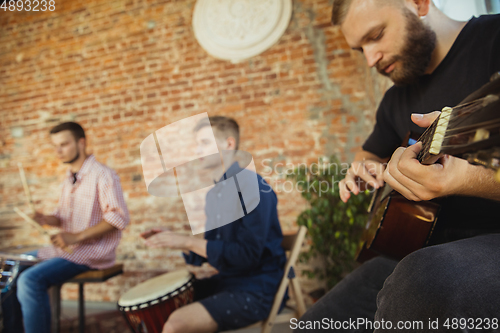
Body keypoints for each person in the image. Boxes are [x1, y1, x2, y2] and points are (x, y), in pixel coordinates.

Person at [294, 0, 500, 332]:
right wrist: (362, 170)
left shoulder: (494, 39)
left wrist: (466, 179)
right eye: (360, 48)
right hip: (417, 245)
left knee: (417, 285)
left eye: (375, 36)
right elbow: (368, 155)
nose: (370, 58)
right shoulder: (394, 100)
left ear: (418, 4)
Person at [141, 116, 287, 333]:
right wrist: (176, 240)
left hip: (256, 288)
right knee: (157, 308)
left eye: (205, 143)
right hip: (227, 281)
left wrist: (186, 241)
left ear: (229, 144)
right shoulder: (214, 194)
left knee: (176, 324)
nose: (197, 150)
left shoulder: (252, 186)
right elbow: (211, 247)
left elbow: (246, 255)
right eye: (197, 144)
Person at [1, 122, 129, 333]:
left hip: (91, 254)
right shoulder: (68, 179)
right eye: (55, 146)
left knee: (30, 280)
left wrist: (76, 237)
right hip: (65, 251)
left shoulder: (103, 175)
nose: (58, 151)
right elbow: (62, 218)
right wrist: (46, 219)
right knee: (9, 268)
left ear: (81, 143)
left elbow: (118, 218)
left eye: (64, 144)